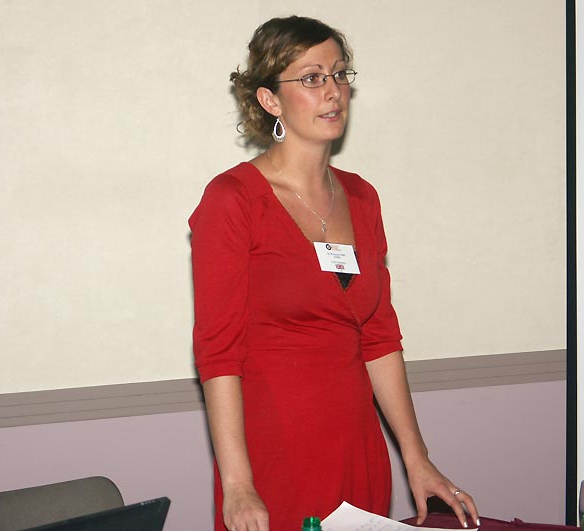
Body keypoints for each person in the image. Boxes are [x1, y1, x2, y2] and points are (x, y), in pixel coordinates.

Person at [189, 15, 480, 531]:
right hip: (272, 456)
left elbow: (379, 337)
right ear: (270, 100)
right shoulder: (233, 200)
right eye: (311, 78)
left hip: (357, 449)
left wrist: (416, 458)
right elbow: (218, 352)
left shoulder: (362, 197)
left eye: (340, 74)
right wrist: (237, 484)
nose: (333, 91)